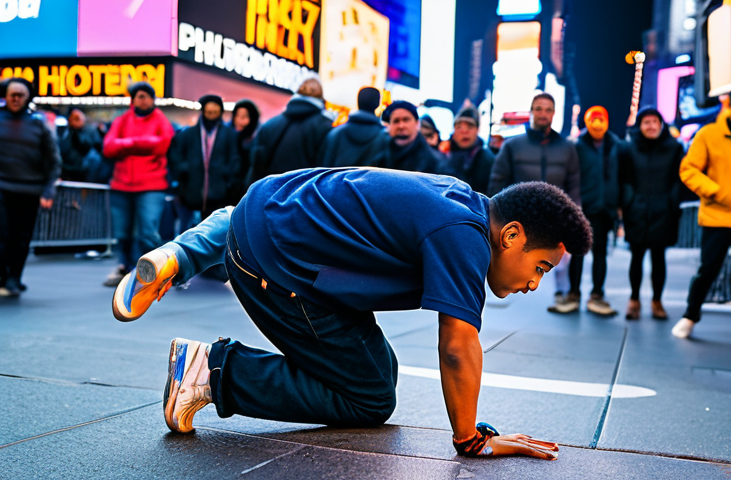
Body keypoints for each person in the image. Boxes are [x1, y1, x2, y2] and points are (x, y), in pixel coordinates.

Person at [111, 169, 592, 459]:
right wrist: (471, 440)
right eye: (541, 266)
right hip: (277, 266)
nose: (534, 284)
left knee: (381, 371)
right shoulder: (466, 238)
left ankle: (191, 248)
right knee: (371, 399)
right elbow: (457, 346)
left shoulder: (457, 196)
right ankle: (209, 374)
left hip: (268, 205)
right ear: (510, 237)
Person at [673, 86, 731, 349]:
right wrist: (714, 191)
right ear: (728, 105)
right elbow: (688, 169)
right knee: (707, 271)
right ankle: (690, 315)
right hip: (716, 215)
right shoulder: (709, 134)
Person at [488, 92, 581, 314]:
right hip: (520, 215)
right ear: (531, 112)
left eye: (548, 109)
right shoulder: (513, 145)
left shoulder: (567, 148)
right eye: (538, 108)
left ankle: (564, 293)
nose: (543, 113)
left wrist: (575, 212)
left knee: (561, 258)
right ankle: (507, 284)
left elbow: (574, 182)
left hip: (555, 214)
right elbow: (498, 179)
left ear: (554, 114)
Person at [102, 82, 174, 287]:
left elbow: (162, 144)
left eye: (146, 96)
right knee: (122, 233)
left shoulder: (161, 120)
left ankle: (153, 270)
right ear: (132, 100)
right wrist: (141, 143)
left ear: (152, 99)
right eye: (139, 96)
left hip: (152, 185)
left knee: (148, 232)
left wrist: (127, 144)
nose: (143, 100)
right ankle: (124, 268)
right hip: (121, 185)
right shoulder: (121, 120)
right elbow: (108, 147)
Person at [619, 107, 684, 320]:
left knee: (659, 258)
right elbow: (624, 177)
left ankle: (657, 301)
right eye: (646, 122)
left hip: (663, 211)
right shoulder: (629, 148)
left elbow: (679, 177)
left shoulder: (673, 147)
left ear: (661, 125)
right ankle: (634, 300)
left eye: (655, 122)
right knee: (636, 257)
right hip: (636, 210)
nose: (651, 126)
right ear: (640, 126)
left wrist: (672, 202)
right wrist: (628, 202)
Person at [0, 78, 61, 297]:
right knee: (3, 233)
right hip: (2, 188)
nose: (16, 98)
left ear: (27, 98)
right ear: (5, 96)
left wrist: (48, 190)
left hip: (29, 190)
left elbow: (53, 160)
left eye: (20, 95)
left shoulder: (38, 123)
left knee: (21, 237)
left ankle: (14, 278)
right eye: (12, 94)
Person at [567, 106, 622, 316]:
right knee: (578, 252)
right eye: (593, 119)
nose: (597, 124)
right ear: (587, 122)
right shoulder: (577, 146)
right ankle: (573, 293)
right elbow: (571, 176)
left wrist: (617, 206)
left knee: (600, 253)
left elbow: (620, 176)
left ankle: (597, 293)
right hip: (583, 207)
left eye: (601, 119)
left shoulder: (615, 145)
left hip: (605, 210)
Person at [247, 77, 333, 184]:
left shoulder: (271, 124)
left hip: (270, 190)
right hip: (303, 193)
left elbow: (256, 162)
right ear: (320, 98)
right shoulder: (325, 126)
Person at [168, 94, 240, 219]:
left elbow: (235, 160)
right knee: (188, 232)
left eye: (215, 112)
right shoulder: (188, 134)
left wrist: (227, 180)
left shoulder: (230, 135)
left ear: (220, 112)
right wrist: (185, 171)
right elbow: (176, 157)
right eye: (209, 112)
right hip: (190, 195)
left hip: (219, 196)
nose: (211, 114)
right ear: (203, 112)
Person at [320, 87, 387, 168]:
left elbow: (325, 166)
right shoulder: (384, 137)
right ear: (378, 104)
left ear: (358, 101)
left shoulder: (336, 133)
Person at [372, 101, 443, 174]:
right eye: (396, 121)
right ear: (389, 126)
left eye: (406, 119)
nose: (401, 126)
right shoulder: (378, 158)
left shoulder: (435, 164)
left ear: (417, 124)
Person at [439, 104, 494, 195]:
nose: (464, 131)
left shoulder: (487, 158)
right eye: (459, 127)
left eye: (470, 126)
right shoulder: (443, 154)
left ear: (477, 129)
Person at [58, 108, 106, 183]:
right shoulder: (65, 130)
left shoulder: (90, 130)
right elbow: (61, 149)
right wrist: (71, 128)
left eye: (77, 118)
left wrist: (76, 130)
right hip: (67, 169)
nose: (75, 121)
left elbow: (85, 147)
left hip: (85, 172)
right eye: (73, 118)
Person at [227, 99, 260, 205]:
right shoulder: (228, 136)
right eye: (236, 116)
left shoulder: (258, 138)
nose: (239, 120)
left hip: (248, 191)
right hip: (227, 191)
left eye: (244, 116)